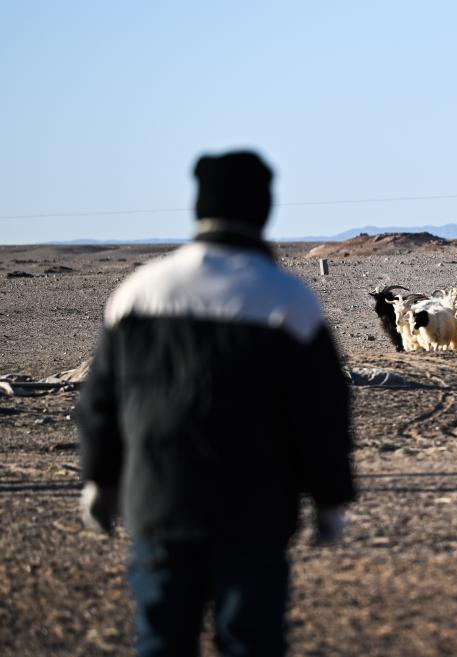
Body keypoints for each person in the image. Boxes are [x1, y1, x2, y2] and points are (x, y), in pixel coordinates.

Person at [75, 150, 356, 657]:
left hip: (159, 503)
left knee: (161, 641)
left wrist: (99, 478)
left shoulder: (139, 292)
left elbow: (100, 401)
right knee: (249, 641)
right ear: (263, 208)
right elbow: (321, 413)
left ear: (197, 206)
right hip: (254, 510)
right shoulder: (286, 300)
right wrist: (331, 499)